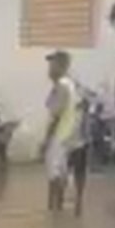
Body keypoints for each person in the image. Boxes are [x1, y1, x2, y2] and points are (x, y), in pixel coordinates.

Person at [41, 49, 87, 216]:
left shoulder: (61, 86)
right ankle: (76, 209)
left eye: (52, 64)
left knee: (55, 175)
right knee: (73, 174)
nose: (49, 68)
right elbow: (85, 104)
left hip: (61, 137)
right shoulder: (75, 84)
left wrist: (46, 140)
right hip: (77, 137)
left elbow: (55, 115)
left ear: (61, 66)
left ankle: (55, 211)